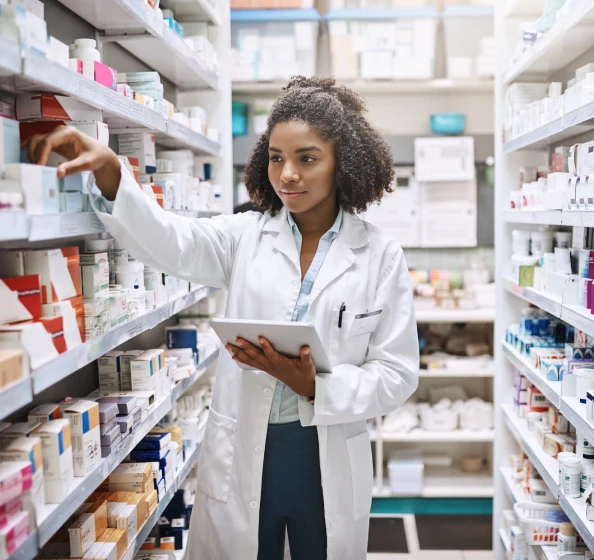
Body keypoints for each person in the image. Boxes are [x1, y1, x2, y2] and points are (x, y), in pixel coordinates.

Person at [27, 76, 419, 560]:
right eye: (276, 157)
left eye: (307, 158)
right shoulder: (245, 235)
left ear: (344, 162)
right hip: (247, 451)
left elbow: (397, 373)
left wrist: (315, 385)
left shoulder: (379, 255)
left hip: (325, 454)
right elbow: (173, 242)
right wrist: (113, 174)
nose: (288, 175)